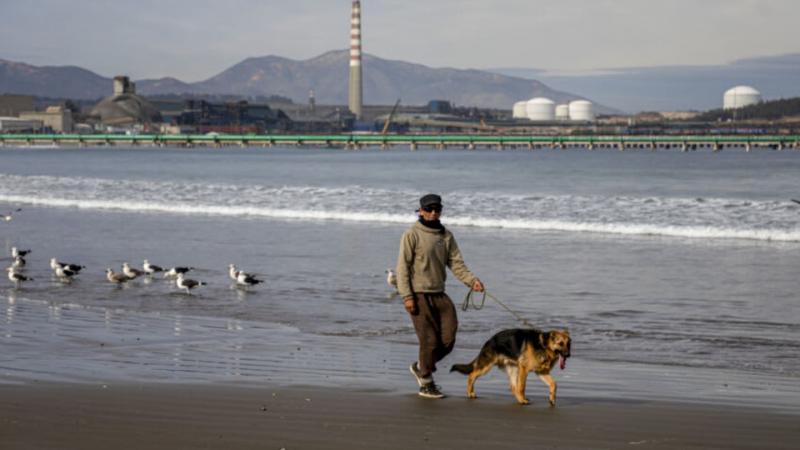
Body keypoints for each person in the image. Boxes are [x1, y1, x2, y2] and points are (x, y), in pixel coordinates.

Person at [395, 193, 484, 398]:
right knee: (429, 341)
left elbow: (456, 263)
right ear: (421, 211)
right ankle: (426, 382)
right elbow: (402, 268)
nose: (433, 213)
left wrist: (472, 281)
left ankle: (420, 366)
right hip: (418, 295)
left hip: (439, 294)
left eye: (437, 209)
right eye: (429, 209)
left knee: (448, 339)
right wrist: (407, 297)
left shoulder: (446, 236)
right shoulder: (411, 234)